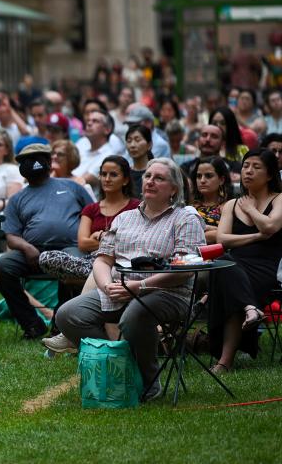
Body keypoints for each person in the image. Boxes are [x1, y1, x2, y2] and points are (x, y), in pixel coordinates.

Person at [53, 158, 205, 400]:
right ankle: (122, 366)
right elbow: (103, 260)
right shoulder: (124, 218)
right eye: (147, 176)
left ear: (174, 189)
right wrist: (106, 286)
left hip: (169, 294)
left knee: (134, 316)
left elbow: (185, 269)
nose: (151, 181)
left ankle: (148, 381)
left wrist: (139, 286)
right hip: (121, 290)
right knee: (68, 314)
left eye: (159, 178)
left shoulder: (185, 218)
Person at [0, 143, 92, 339]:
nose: (32, 164)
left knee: (72, 264)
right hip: (33, 254)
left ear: (48, 162)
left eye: (37, 158)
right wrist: (26, 247)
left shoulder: (72, 187)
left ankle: (60, 324)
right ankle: (32, 324)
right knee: (1, 266)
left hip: (70, 248)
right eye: (25, 161)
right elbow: (11, 236)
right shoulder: (17, 199)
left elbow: (93, 214)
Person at [208, 149, 282, 373]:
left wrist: (251, 209)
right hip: (233, 264)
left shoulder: (279, 199)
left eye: (256, 167)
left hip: (266, 267)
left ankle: (224, 361)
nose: (248, 171)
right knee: (225, 263)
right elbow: (222, 239)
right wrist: (257, 236)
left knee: (227, 271)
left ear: (269, 175)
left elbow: (270, 226)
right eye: (245, 165)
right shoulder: (231, 204)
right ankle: (250, 308)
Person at [39, 156, 139, 283]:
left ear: (125, 180)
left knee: (69, 279)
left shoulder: (136, 207)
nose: (107, 179)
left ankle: (90, 279)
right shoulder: (91, 209)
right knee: (46, 257)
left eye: (113, 175)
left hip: (120, 262)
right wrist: (113, 240)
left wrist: (102, 235)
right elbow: (83, 243)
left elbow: (134, 241)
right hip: (90, 262)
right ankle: (97, 277)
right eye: (103, 174)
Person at [190, 156, 232, 244]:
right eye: (198, 176)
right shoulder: (189, 206)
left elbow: (231, 236)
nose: (202, 180)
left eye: (208, 176)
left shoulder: (229, 207)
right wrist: (216, 231)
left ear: (221, 180)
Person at [73, 109, 117, 188]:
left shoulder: (109, 156)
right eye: (88, 120)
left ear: (107, 130)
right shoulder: (81, 143)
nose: (89, 123)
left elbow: (83, 181)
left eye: (95, 121)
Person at [125, 124, 153, 198]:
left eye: (137, 140)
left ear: (149, 145)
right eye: (129, 141)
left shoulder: (156, 171)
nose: (132, 145)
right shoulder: (125, 173)